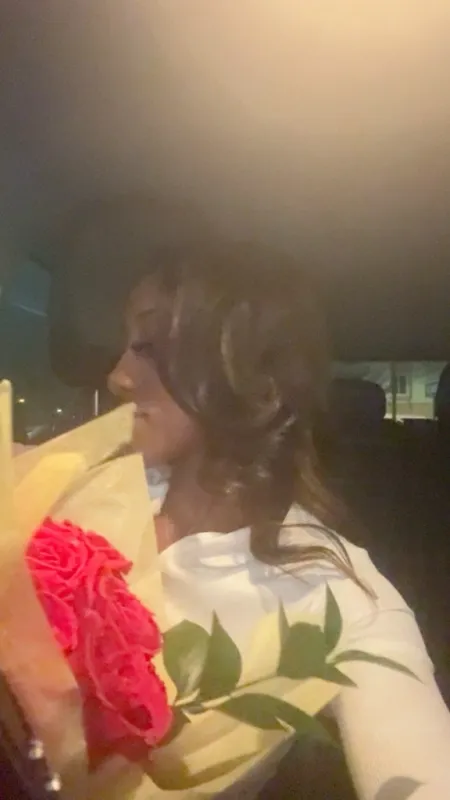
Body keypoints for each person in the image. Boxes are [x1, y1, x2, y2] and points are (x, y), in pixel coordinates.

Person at [108, 242, 450, 799]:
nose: (117, 377)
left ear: (254, 378)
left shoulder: (335, 597)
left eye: (149, 346)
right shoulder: (92, 488)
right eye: (125, 345)